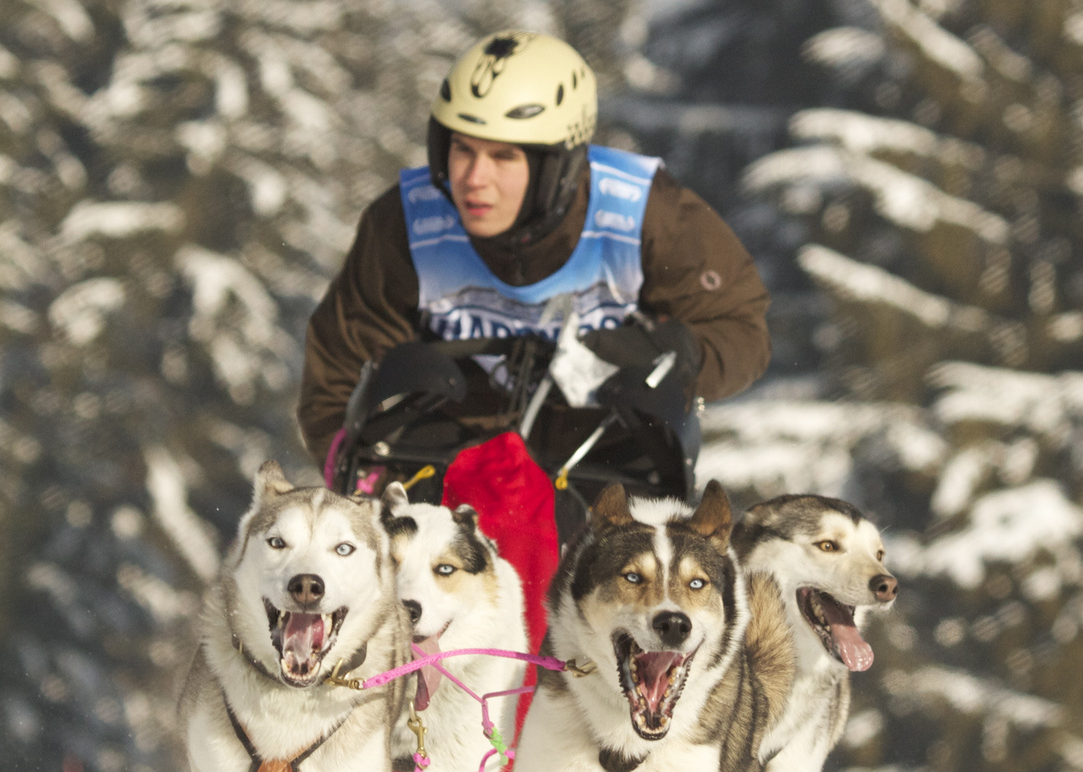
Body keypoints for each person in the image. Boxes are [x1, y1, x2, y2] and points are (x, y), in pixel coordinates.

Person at [296, 29, 772, 509]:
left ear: (555, 167)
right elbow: (336, 370)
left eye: (503, 156)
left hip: (607, 466)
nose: (474, 178)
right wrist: (358, 488)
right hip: (454, 464)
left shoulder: (649, 215)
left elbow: (742, 329)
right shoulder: (406, 223)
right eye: (462, 149)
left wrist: (680, 353)